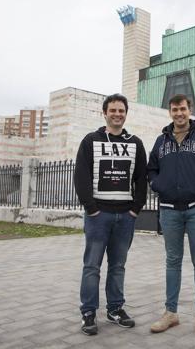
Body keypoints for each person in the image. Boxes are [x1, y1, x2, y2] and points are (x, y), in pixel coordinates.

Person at [147, 94, 195, 336]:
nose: (179, 113)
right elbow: (151, 169)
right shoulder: (161, 141)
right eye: (174, 109)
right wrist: (158, 185)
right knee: (172, 261)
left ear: (189, 109)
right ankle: (171, 313)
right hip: (169, 210)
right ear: (170, 112)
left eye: (183, 109)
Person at [74, 93, 147, 336]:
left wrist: (136, 209)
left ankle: (115, 309)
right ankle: (88, 313)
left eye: (121, 111)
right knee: (92, 266)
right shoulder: (90, 141)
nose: (117, 114)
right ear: (104, 113)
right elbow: (81, 176)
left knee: (118, 266)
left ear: (126, 114)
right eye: (113, 110)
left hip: (125, 216)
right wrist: (91, 207)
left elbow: (141, 179)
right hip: (98, 216)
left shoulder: (135, 143)